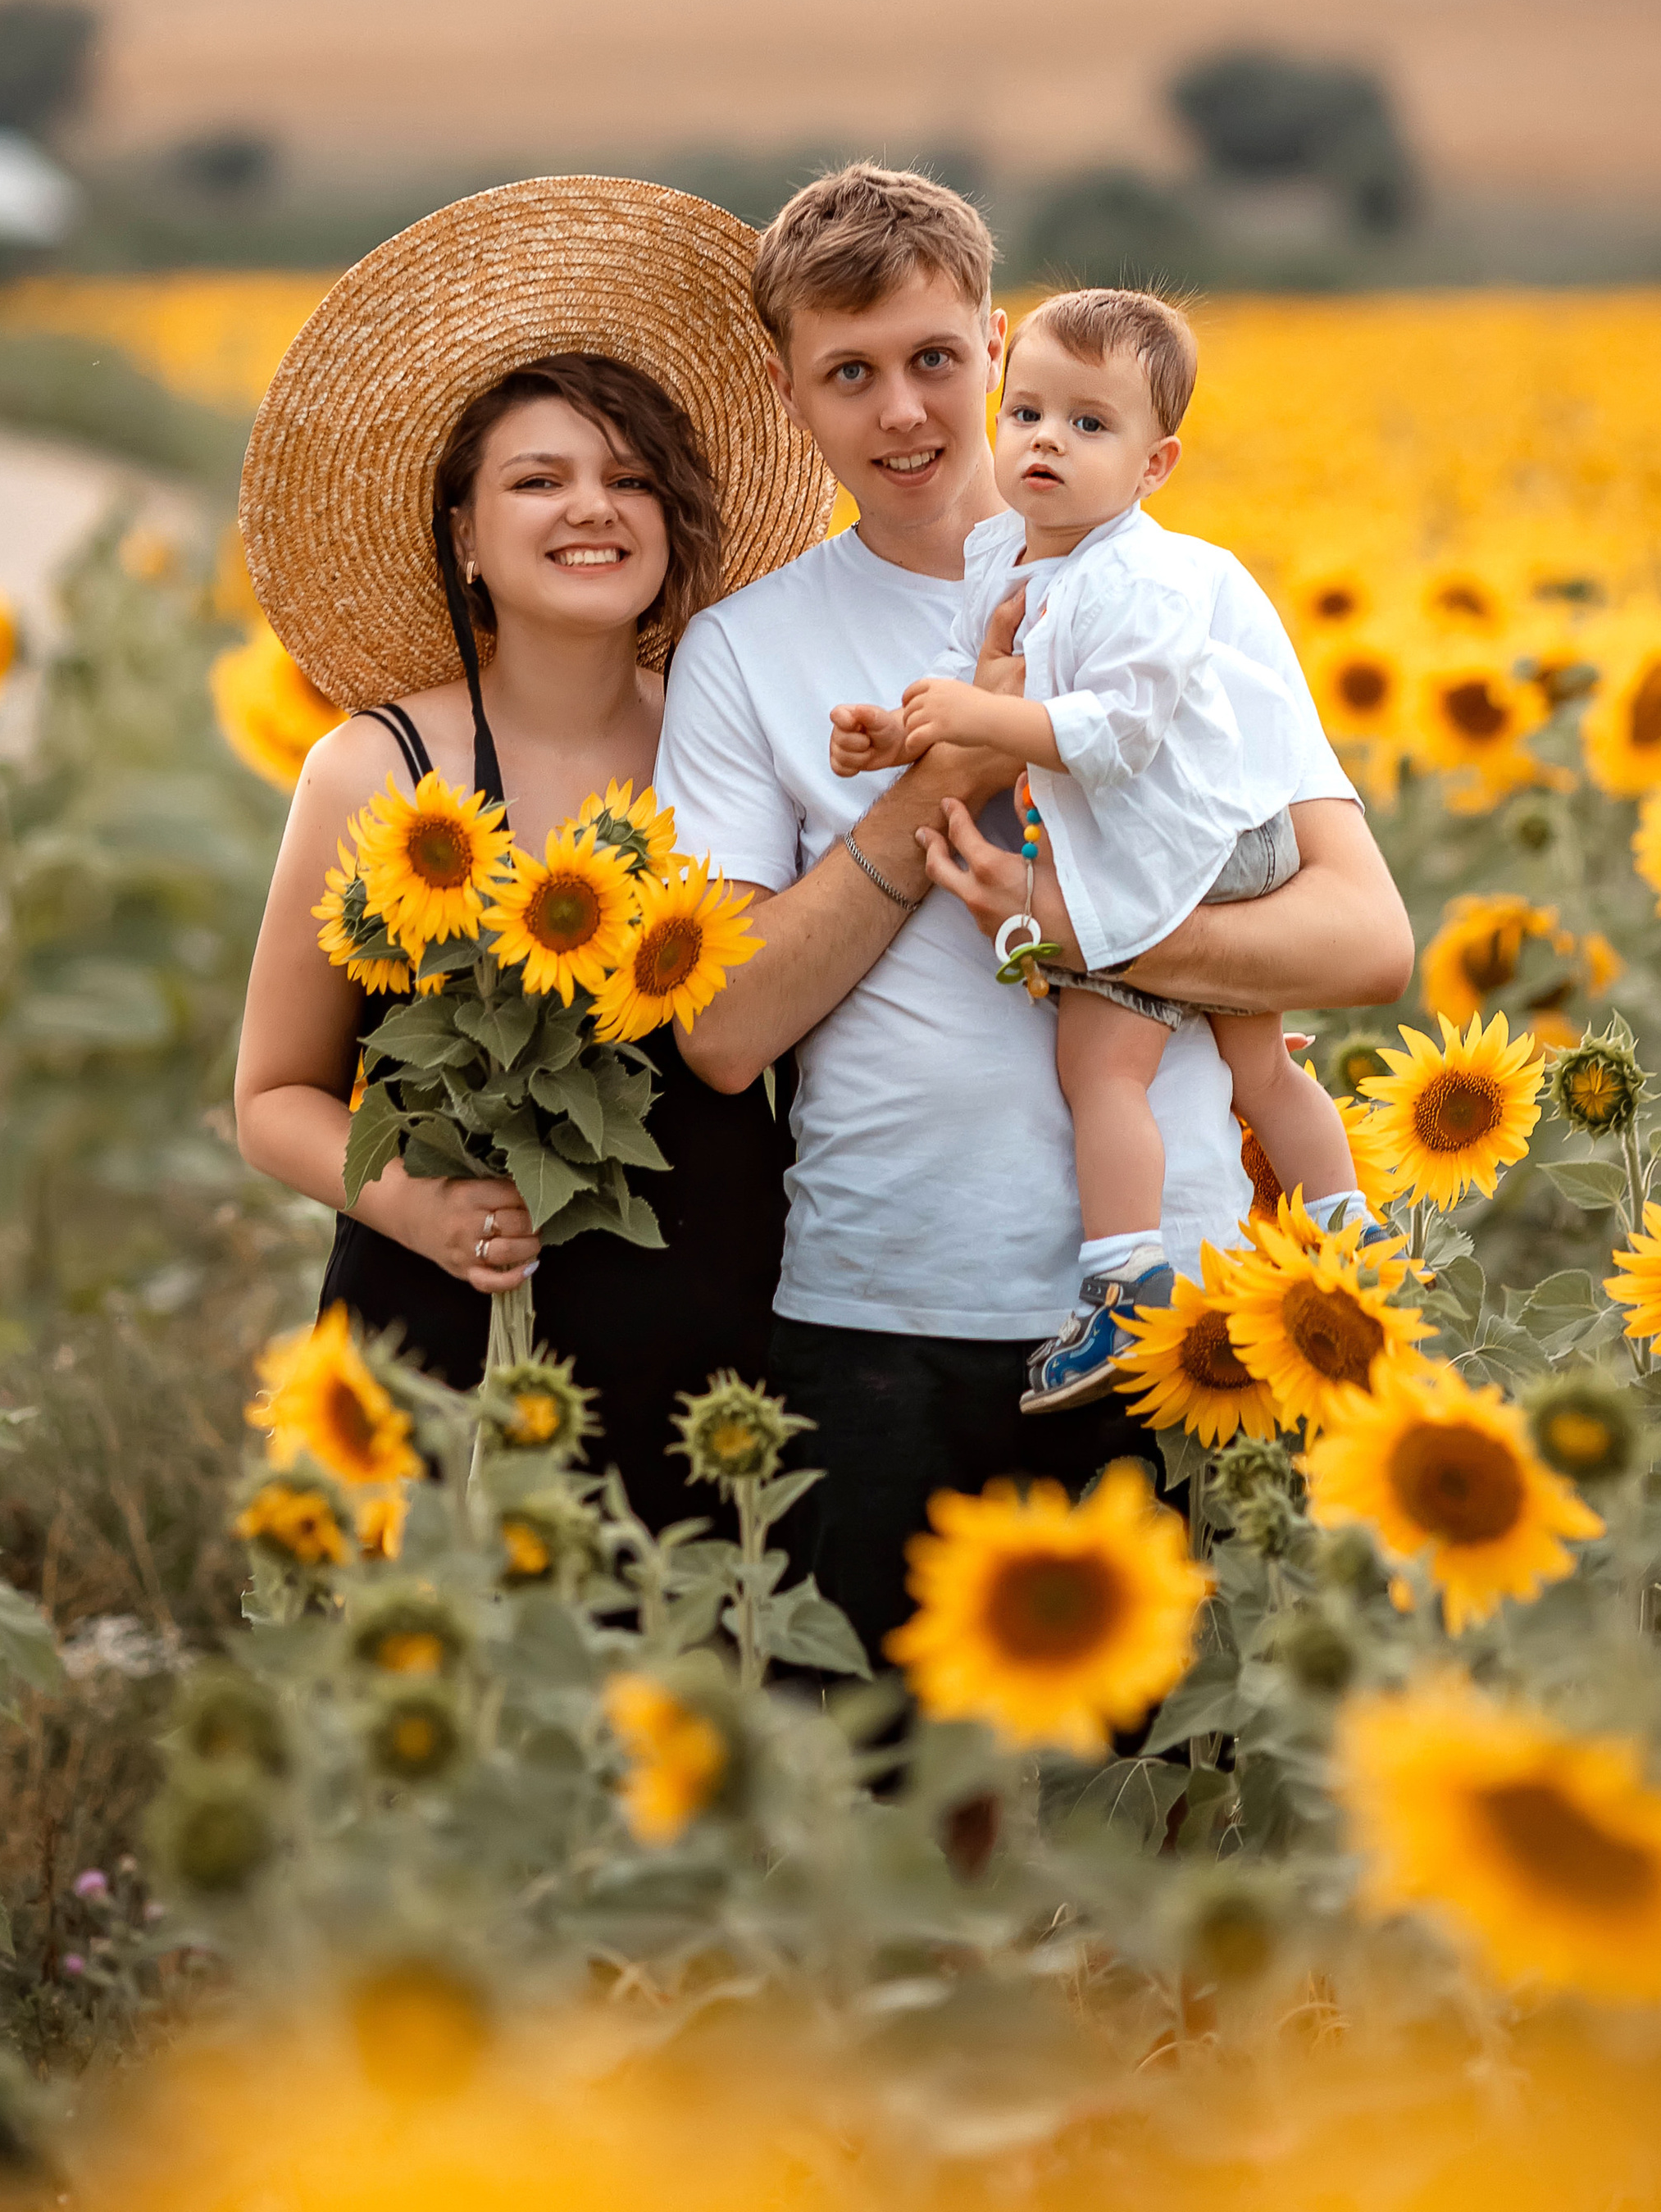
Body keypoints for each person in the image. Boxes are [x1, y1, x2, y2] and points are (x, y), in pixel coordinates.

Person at [657, 162, 1413, 1660]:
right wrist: (944, 762)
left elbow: (1365, 943)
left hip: (1178, 1301)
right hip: (878, 1302)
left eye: (938, 360)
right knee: (884, 1809)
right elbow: (726, 1030)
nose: (905, 415)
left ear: (997, 346)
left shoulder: (1190, 595)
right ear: (784, 389)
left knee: (1152, 1806)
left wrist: (1077, 932)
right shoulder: (743, 652)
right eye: (850, 374)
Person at [232, 175, 833, 1535]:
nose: (592, 509)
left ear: (675, 517)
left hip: (712, 1355)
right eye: (539, 480)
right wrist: (422, 1211)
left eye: (630, 478)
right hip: (434, 1347)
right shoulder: (375, 771)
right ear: (466, 533)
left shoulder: (743, 757)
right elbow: (272, 1094)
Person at [829, 284, 1367, 1417]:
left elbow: (1113, 735)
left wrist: (976, 724)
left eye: (1089, 426)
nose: (1045, 444)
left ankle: (1123, 1279)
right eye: (1026, 414)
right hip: (1199, 841)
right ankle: (1346, 1232)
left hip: (1187, 853)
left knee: (1097, 1067)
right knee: (1257, 1069)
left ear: (1155, 464)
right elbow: (988, 697)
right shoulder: (1018, 561)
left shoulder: (1145, 578)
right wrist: (903, 733)